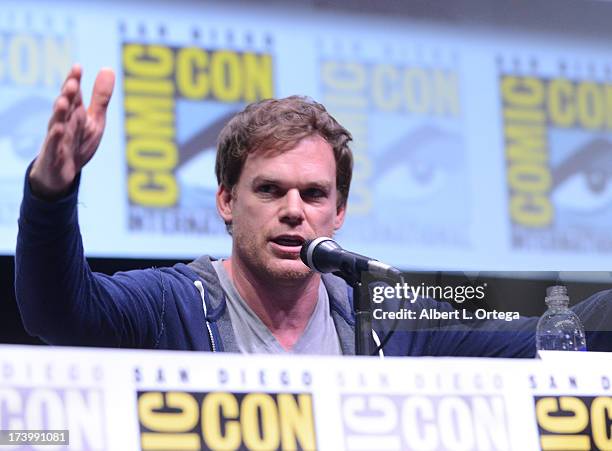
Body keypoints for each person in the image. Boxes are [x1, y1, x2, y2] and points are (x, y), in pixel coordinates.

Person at [15, 65, 612, 356]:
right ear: (227, 201)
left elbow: (553, 333)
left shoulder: (387, 315)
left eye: (314, 194)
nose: (294, 211)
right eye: (270, 190)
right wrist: (51, 190)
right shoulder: (174, 303)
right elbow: (57, 312)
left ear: (340, 212)